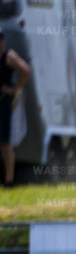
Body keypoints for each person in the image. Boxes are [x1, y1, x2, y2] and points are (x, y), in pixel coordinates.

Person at [0, 28, 31, 188]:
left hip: (4, 102)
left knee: (6, 143)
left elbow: (25, 71)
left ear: (2, 41)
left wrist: (14, 89)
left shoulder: (8, 56)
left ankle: (9, 181)